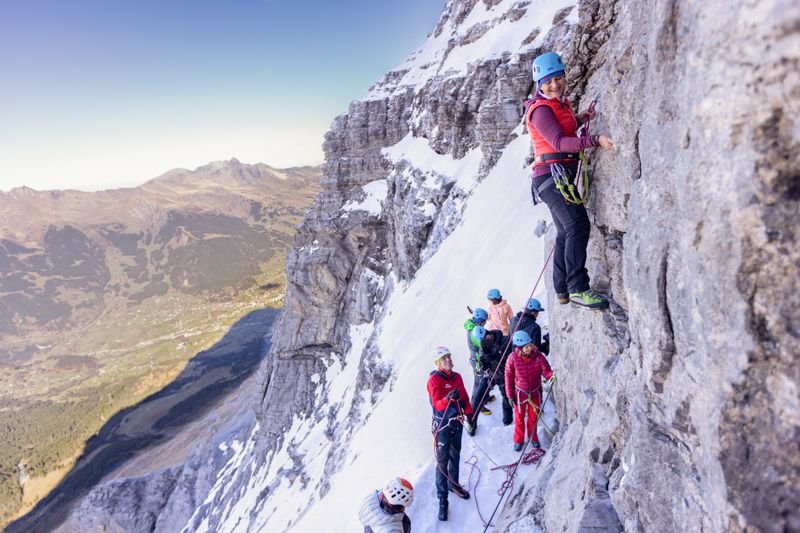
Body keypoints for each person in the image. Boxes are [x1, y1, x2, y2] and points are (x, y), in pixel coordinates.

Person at [524, 51, 614, 309]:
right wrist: (594, 141)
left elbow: (562, 128)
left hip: (554, 175)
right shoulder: (540, 110)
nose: (555, 85)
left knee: (565, 230)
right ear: (539, 84)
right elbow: (558, 142)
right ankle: (578, 288)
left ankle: (562, 289)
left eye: (558, 78)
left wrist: (580, 119)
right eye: (548, 82)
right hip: (550, 176)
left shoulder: (556, 104)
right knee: (577, 225)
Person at [427, 346, 473, 521]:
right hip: (442, 426)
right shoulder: (434, 380)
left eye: (448, 357)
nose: (448, 360)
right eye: (444, 358)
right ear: (438, 363)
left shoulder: (457, 377)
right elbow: (437, 404)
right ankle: (443, 501)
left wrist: (469, 413)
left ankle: (453, 484)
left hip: (456, 423)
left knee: (455, 455)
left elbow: (464, 398)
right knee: (442, 462)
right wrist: (448, 399)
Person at [504, 331, 554, 451]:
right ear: (519, 348)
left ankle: (533, 437)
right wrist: (510, 396)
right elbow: (508, 377)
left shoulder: (538, 356)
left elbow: (546, 371)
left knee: (533, 418)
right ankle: (518, 439)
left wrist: (552, 375)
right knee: (519, 418)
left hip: (535, 393)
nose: (530, 348)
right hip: (519, 394)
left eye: (530, 345)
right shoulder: (512, 359)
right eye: (526, 347)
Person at [469, 326, 514, 427]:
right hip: (491, 374)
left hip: (504, 375)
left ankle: (507, 421)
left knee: (506, 399)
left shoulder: (505, 341)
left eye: (486, 338)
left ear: (488, 333)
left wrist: (494, 355)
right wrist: (483, 360)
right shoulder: (483, 346)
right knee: (478, 397)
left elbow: (510, 360)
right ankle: (471, 422)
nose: (485, 341)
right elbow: (483, 364)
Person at [464, 308, 495, 413]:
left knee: (482, 380)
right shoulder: (474, 332)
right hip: (477, 361)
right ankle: (477, 405)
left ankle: (485, 397)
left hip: (475, 359)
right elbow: (482, 346)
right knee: (479, 382)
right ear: (480, 320)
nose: (485, 323)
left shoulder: (472, 327)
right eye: (484, 321)